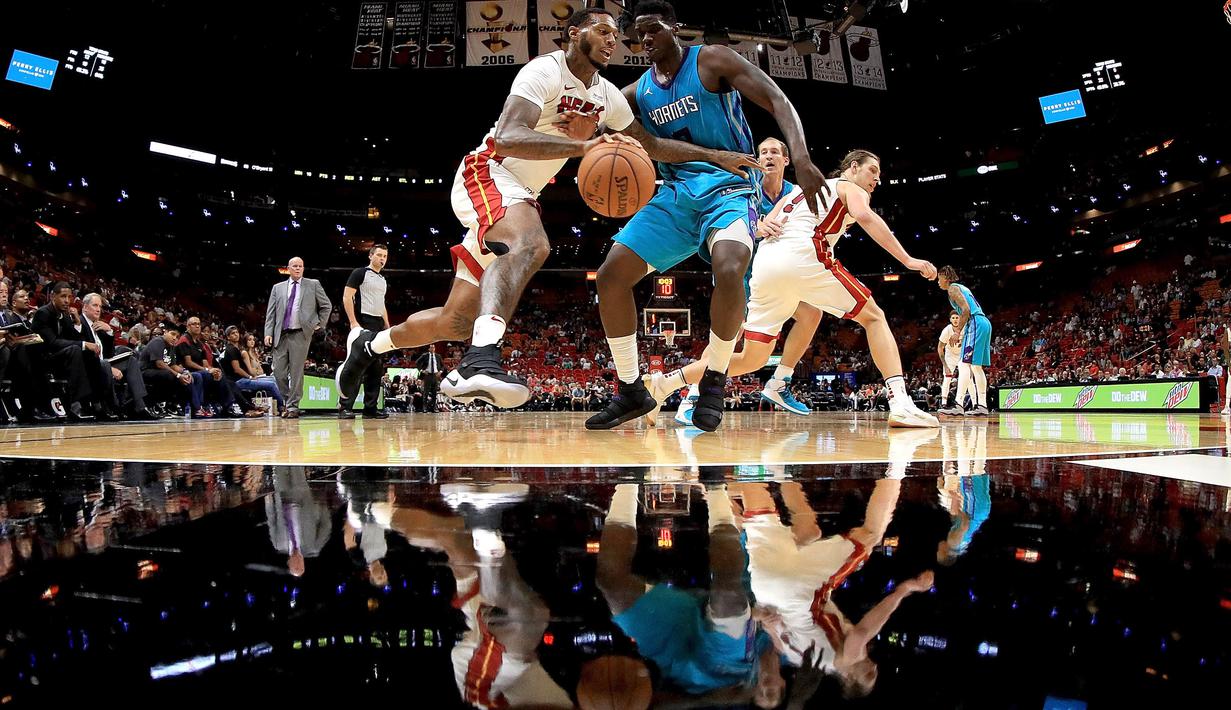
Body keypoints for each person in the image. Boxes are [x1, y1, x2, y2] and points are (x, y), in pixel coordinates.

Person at [333, 6, 758, 410]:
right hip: (489, 171)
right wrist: (585, 146)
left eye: (615, 35)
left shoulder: (608, 96)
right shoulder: (545, 71)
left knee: (454, 322)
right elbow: (508, 136)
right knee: (533, 244)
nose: (612, 40)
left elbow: (653, 146)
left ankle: (369, 345)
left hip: (518, 194)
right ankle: (479, 361)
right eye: (603, 31)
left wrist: (715, 156)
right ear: (574, 34)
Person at [585, 0, 830, 432]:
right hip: (675, 196)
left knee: (730, 266)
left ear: (674, 26)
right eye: (639, 33)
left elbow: (776, 99)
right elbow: (596, 118)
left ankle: (715, 376)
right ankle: (631, 390)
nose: (646, 38)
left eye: (654, 28)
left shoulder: (712, 60)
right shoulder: (638, 91)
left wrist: (804, 158)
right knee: (610, 276)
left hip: (730, 189)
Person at [647, 150, 939, 428]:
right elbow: (865, 216)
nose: (876, 178)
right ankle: (900, 403)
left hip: (766, 265)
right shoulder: (850, 187)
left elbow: (765, 225)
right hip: (803, 255)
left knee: (752, 358)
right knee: (874, 317)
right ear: (852, 168)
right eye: (872, 170)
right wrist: (908, 260)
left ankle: (665, 384)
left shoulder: (797, 191)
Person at [671, 137, 823, 426]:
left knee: (812, 314)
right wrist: (757, 226)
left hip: (775, 277)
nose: (768, 156)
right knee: (729, 337)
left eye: (774, 152)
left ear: (786, 160)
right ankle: (692, 396)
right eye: (763, 152)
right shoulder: (745, 186)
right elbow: (724, 219)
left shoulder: (794, 194)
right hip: (741, 274)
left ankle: (779, 382)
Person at [263, 256, 332, 418]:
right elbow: (271, 313)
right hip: (281, 334)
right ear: (288, 268)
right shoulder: (277, 288)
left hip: (301, 333)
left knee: (296, 372)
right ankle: (289, 401)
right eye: (294, 266)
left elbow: (326, 306)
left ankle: (293, 406)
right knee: (278, 372)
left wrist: (319, 324)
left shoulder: (313, 284)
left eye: (300, 266)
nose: (298, 268)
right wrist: (268, 332)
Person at [30, 282, 99, 421]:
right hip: (43, 359)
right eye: (63, 296)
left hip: (62, 358)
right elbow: (52, 343)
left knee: (89, 354)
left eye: (69, 297)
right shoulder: (43, 313)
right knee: (76, 349)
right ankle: (76, 405)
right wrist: (84, 344)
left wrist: (77, 323)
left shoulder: (65, 316)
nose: (67, 300)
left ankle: (95, 403)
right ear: (52, 296)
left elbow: (75, 339)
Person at [337, 244, 390, 419]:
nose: (382, 259)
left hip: (378, 325)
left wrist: (387, 325)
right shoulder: (360, 273)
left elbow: (381, 304)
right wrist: (353, 322)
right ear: (370, 256)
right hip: (363, 322)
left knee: (376, 368)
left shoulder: (382, 279)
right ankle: (345, 407)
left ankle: (370, 409)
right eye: (379, 255)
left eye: (385, 256)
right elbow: (347, 297)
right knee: (356, 366)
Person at [936, 266, 993, 417]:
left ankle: (958, 405)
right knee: (976, 367)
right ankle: (982, 406)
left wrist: (957, 331)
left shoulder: (952, 289)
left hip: (975, 322)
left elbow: (966, 310)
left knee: (963, 364)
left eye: (939, 279)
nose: (938, 282)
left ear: (946, 277)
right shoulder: (962, 287)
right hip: (984, 322)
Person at [220, 326, 284, 412]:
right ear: (228, 337)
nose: (236, 335)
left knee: (274, 380)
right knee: (271, 384)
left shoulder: (235, 349)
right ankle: (282, 406)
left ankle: (281, 405)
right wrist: (249, 377)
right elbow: (237, 369)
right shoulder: (231, 350)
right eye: (233, 333)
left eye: (237, 332)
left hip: (242, 379)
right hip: (238, 381)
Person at [937, 311, 962, 410]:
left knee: (967, 378)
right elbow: (940, 348)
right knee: (947, 378)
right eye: (953, 318)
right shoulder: (946, 330)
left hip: (961, 354)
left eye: (957, 317)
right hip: (950, 355)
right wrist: (945, 365)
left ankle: (972, 403)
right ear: (950, 319)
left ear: (960, 319)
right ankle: (943, 403)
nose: (955, 320)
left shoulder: (964, 328)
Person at [415, 343, 444, 413]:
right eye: (431, 347)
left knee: (434, 392)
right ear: (428, 349)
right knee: (426, 392)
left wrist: (440, 371)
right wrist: (422, 370)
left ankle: (434, 407)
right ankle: (424, 408)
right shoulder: (425, 355)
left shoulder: (438, 356)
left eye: (433, 347)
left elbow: (442, 365)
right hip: (427, 375)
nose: (432, 349)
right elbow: (417, 362)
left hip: (435, 375)